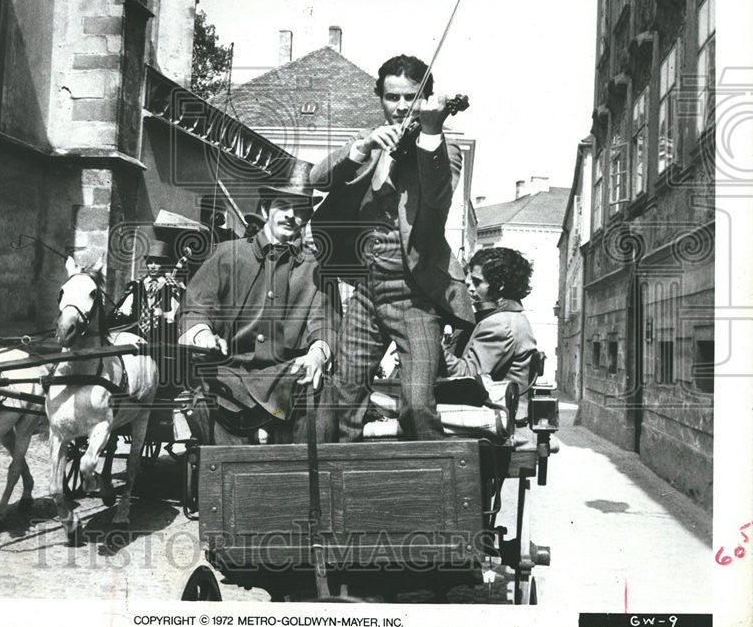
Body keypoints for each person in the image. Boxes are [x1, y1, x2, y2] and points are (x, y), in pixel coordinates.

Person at [309, 53, 475, 441]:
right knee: (342, 399)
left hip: (413, 294)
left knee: (417, 404)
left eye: (410, 97)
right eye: (391, 97)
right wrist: (362, 147)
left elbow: (437, 201)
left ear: (426, 97)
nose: (401, 107)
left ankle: (430, 491)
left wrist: (431, 134)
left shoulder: (442, 148)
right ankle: (342, 487)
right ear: (380, 98)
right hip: (367, 290)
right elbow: (317, 178)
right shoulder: (372, 140)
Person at [177, 163, 339, 445]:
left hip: (288, 378)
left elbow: (324, 325)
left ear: (306, 218)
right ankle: (222, 483)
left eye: (300, 209)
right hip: (229, 376)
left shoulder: (317, 268)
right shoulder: (227, 255)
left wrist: (317, 354)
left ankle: (312, 484)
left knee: (321, 395)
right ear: (265, 210)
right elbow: (196, 308)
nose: (290, 215)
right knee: (204, 403)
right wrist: (202, 333)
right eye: (282, 205)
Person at [441, 247, 537, 385]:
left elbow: (467, 374)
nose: (469, 287)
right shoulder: (511, 316)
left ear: (500, 285)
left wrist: (431, 346)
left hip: (492, 405)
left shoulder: (499, 324)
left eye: (477, 282)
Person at [113, 239, 183, 339]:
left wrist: (163, 314)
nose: (153, 266)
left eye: (157, 263)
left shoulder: (171, 286)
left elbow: (178, 315)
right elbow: (124, 310)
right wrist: (122, 312)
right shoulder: (136, 284)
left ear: (163, 264)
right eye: (150, 262)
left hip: (162, 338)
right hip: (136, 335)